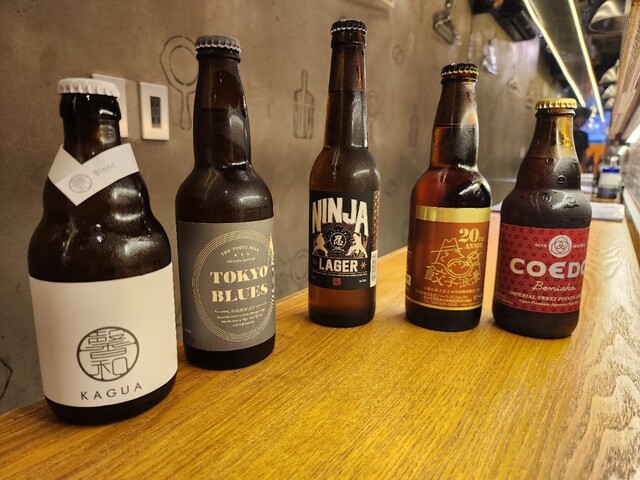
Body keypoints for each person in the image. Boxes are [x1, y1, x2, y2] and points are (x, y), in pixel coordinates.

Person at [573, 106, 591, 172]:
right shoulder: (564, 133)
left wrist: (585, 169)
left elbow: (584, 154)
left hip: (577, 167)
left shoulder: (583, 135)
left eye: (585, 118)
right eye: (580, 117)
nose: (583, 120)